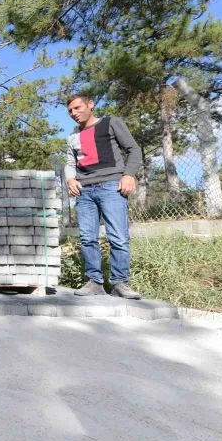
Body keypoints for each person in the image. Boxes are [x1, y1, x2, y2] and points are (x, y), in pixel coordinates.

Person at [65, 94, 142, 299]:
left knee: (118, 237)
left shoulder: (111, 123)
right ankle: (94, 282)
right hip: (84, 191)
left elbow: (133, 149)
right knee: (88, 238)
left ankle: (120, 283)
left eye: (77, 107)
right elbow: (70, 163)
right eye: (70, 111)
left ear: (90, 105)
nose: (74, 113)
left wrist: (128, 175)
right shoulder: (73, 136)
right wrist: (70, 180)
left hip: (111, 187)